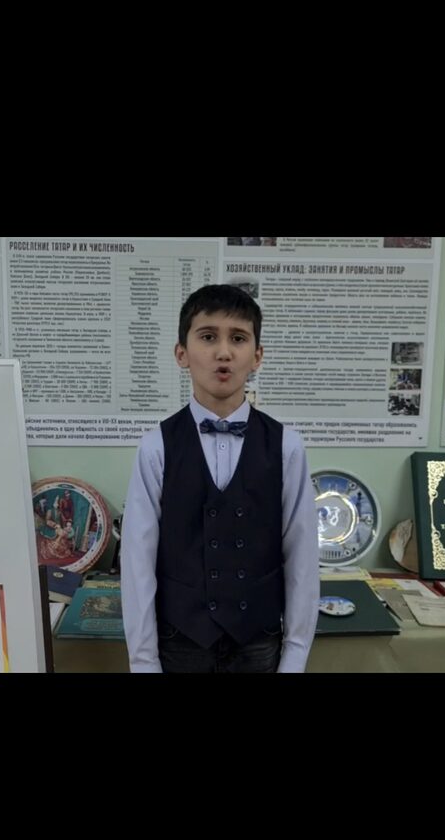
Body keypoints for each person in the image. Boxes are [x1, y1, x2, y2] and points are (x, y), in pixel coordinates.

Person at [121, 285, 317, 674]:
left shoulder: (287, 447)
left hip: (258, 643)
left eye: (239, 338)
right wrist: (144, 662)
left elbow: (303, 559)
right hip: (180, 643)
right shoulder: (156, 447)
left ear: (257, 356)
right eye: (208, 337)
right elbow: (137, 562)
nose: (224, 352)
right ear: (182, 353)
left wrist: (294, 657)